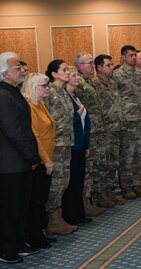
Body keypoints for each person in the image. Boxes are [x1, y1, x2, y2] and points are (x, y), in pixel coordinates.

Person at [0, 52, 41, 263]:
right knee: (10, 209)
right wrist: (32, 156)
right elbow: (13, 131)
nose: (21, 70)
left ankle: (17, 243)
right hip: (9, 164)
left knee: (21, 207)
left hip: (20, 162)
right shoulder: (2, 94)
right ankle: (8, 250)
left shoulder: (12, 92)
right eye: (17, 68)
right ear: (5, 73)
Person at [22, 73, 56, 249]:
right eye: (44, 86)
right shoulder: (30, 107)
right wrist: (47, 159)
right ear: (33, 87)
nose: (47, 89)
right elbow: (35, 137)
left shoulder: (40, 105)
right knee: (35, 200)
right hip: (41, 161)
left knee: (41, 199)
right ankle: (33, 236)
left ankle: (39, 234)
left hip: (47, 159)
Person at [74, 52, 113, 210]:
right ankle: (86, 201)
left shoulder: (89, 81)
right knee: (89, 168)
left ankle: (100, 194)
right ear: (79, 66)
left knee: (100, 164)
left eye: (91, 62)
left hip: (98, 129)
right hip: (89, 132)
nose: (92, 65)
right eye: (88, 63)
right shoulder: (78, 83)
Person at [44, 59, 78, 235]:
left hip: (66, 143)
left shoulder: (63, 93)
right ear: (54, 74)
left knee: (64, 181)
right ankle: (53, 220)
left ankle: (59, 216)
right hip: (55, 144)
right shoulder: (48, 92)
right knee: (56, 182)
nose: (67, 72)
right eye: (64, 70)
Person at [113, 45, 141, 199]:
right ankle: (126, 186)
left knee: (139, 154)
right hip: (127, 121)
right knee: (127, 155)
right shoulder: (117, 75)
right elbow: (114, 99)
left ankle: (137, 183)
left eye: (135, 55)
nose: (133, 58)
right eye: (130, 55)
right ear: (122, 57)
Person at [92, 54, 125, 206]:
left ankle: (109, 192)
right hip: (103, 131)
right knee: (102, 164)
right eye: (108, 65)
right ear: (99, 68)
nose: (112, 67)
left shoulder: (112, 82)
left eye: (112, 65)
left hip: (116, 129)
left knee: (113, 163)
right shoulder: (95, 84)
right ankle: (101, 194)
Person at [62, 66, 92, 225]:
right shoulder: (65, 97)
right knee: (71, 182)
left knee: (79, 180)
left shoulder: (76, 96)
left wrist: (86, 144)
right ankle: (70, 215)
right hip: (71, 144)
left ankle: (79, 213)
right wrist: (79, 111)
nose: (77, 78)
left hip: (80, 144)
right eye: (73, 75)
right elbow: (69, 120)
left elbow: (84, 122)